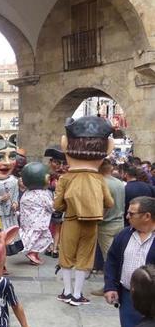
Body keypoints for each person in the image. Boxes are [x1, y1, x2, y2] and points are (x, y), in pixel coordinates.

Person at [53, 116, 114, 306]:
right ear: (108, 149)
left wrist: (66, 206)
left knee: (66, 256)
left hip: (70, 219)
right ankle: (78, 295)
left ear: (65, 145)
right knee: (84, 257)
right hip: (92, 221)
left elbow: (57, 205)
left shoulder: (65, 178)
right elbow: (110, 203)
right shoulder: (99, 179)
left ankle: (67, 291)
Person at [104, 197, 155, 327]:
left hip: (152, 300)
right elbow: (112, 261)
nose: (127, 217)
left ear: (147, 216)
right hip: (128, 297)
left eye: (131, 214)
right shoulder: (124, 235)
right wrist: (110, 286)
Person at [92, 158, 126, 296]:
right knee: (117, 256)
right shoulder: (119, 183)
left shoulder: (101, 183)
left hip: (106, 225)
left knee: (109, 259)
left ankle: (110, 286)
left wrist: (98, 218)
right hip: (119, 222)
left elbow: (105, 204)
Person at [19, 162, 54, 265]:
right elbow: (51, 207)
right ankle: (33, 253)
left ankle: (33, 254)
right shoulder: (43, 194)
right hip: (39, 223)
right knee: (46, 238)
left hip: (28, 223)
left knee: (32, 238)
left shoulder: (27, 193)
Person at [44, 146, 68, 258]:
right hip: (51, 205)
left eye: (62, 163)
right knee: (51, 227)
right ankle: (52, 247)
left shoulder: (61, 178)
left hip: (57, 206)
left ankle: (53, 248)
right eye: (57, 162)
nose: (60, 166)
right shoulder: (51, 177)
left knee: (56, 227)